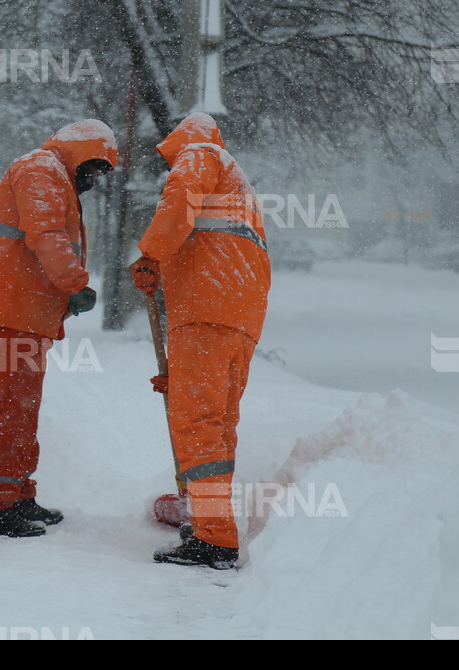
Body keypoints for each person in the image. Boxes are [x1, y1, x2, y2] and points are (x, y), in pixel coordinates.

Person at [0, 119, 118, 538]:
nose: (95, 180)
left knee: (22, 411)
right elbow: (45, 233)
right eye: (96, 169)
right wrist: (76, 284)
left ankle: (18, 495)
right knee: (14, 412)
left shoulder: (51, 173)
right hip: (8, 313)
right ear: (83, 153)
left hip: (21, 314)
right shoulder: (42, 168)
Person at [130, 113, 271, 569]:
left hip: (204, 311)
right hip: (239, 317)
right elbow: (213, 238)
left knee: (196, 422)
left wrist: (151, 254)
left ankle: (213, 537)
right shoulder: (238, 183)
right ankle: (205, 512)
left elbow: (178, 206)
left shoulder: (200, 154)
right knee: (217, 424)